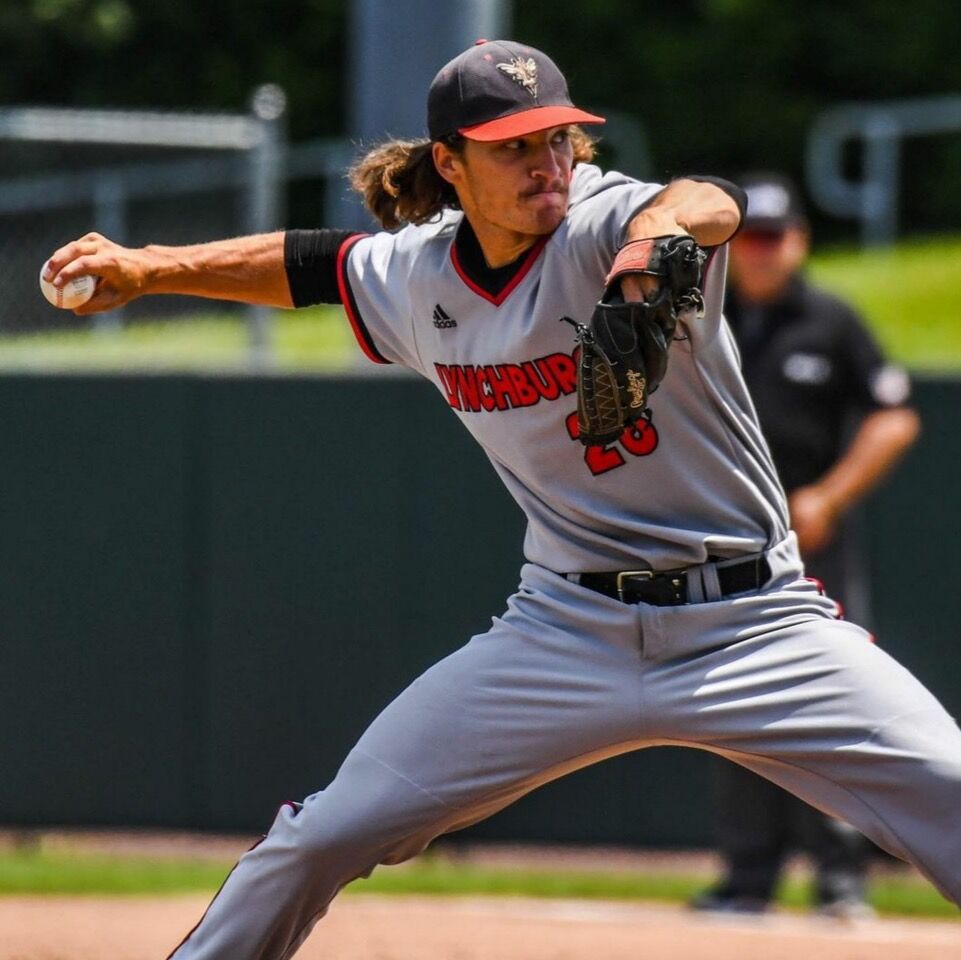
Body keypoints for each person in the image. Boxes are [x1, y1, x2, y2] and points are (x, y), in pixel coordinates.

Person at [42, 40, 961, 960]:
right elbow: (309, 264)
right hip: (565, 629)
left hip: (754, 624)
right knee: (323, 835)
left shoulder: (604, 221)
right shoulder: (417, 277)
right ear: (450, 162)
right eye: (513, 146)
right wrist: (150, 266)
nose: (546, 164)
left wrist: (649, 254)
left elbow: (706, 202)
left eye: (558, 138)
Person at [690, 174, 921, 918]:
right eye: (745, 238)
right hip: (722, 547)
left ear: (798, 241)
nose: (759, 252)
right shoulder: (703, 316)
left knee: (832, 706)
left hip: (808, 544)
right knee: (730, 709)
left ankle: (839, 877)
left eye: (772, 236)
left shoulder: (829, 320)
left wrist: (830, 494)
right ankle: (746, 878)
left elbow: (893, 418)